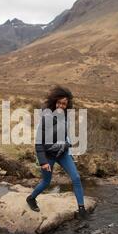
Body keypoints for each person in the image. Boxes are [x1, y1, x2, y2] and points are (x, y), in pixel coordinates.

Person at [26, 86, 89, 220]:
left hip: (63, 153)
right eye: (59, 102)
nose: (61, 106)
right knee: (46, 182)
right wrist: (42, 162)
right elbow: (39, 142)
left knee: (76, 178)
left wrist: (70, 151)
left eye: (64, 103)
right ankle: (31, 198)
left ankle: (82, 209)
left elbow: (66, 135)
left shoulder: (66, 117)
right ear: (54, 102)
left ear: (67, 105)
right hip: (48, 155)